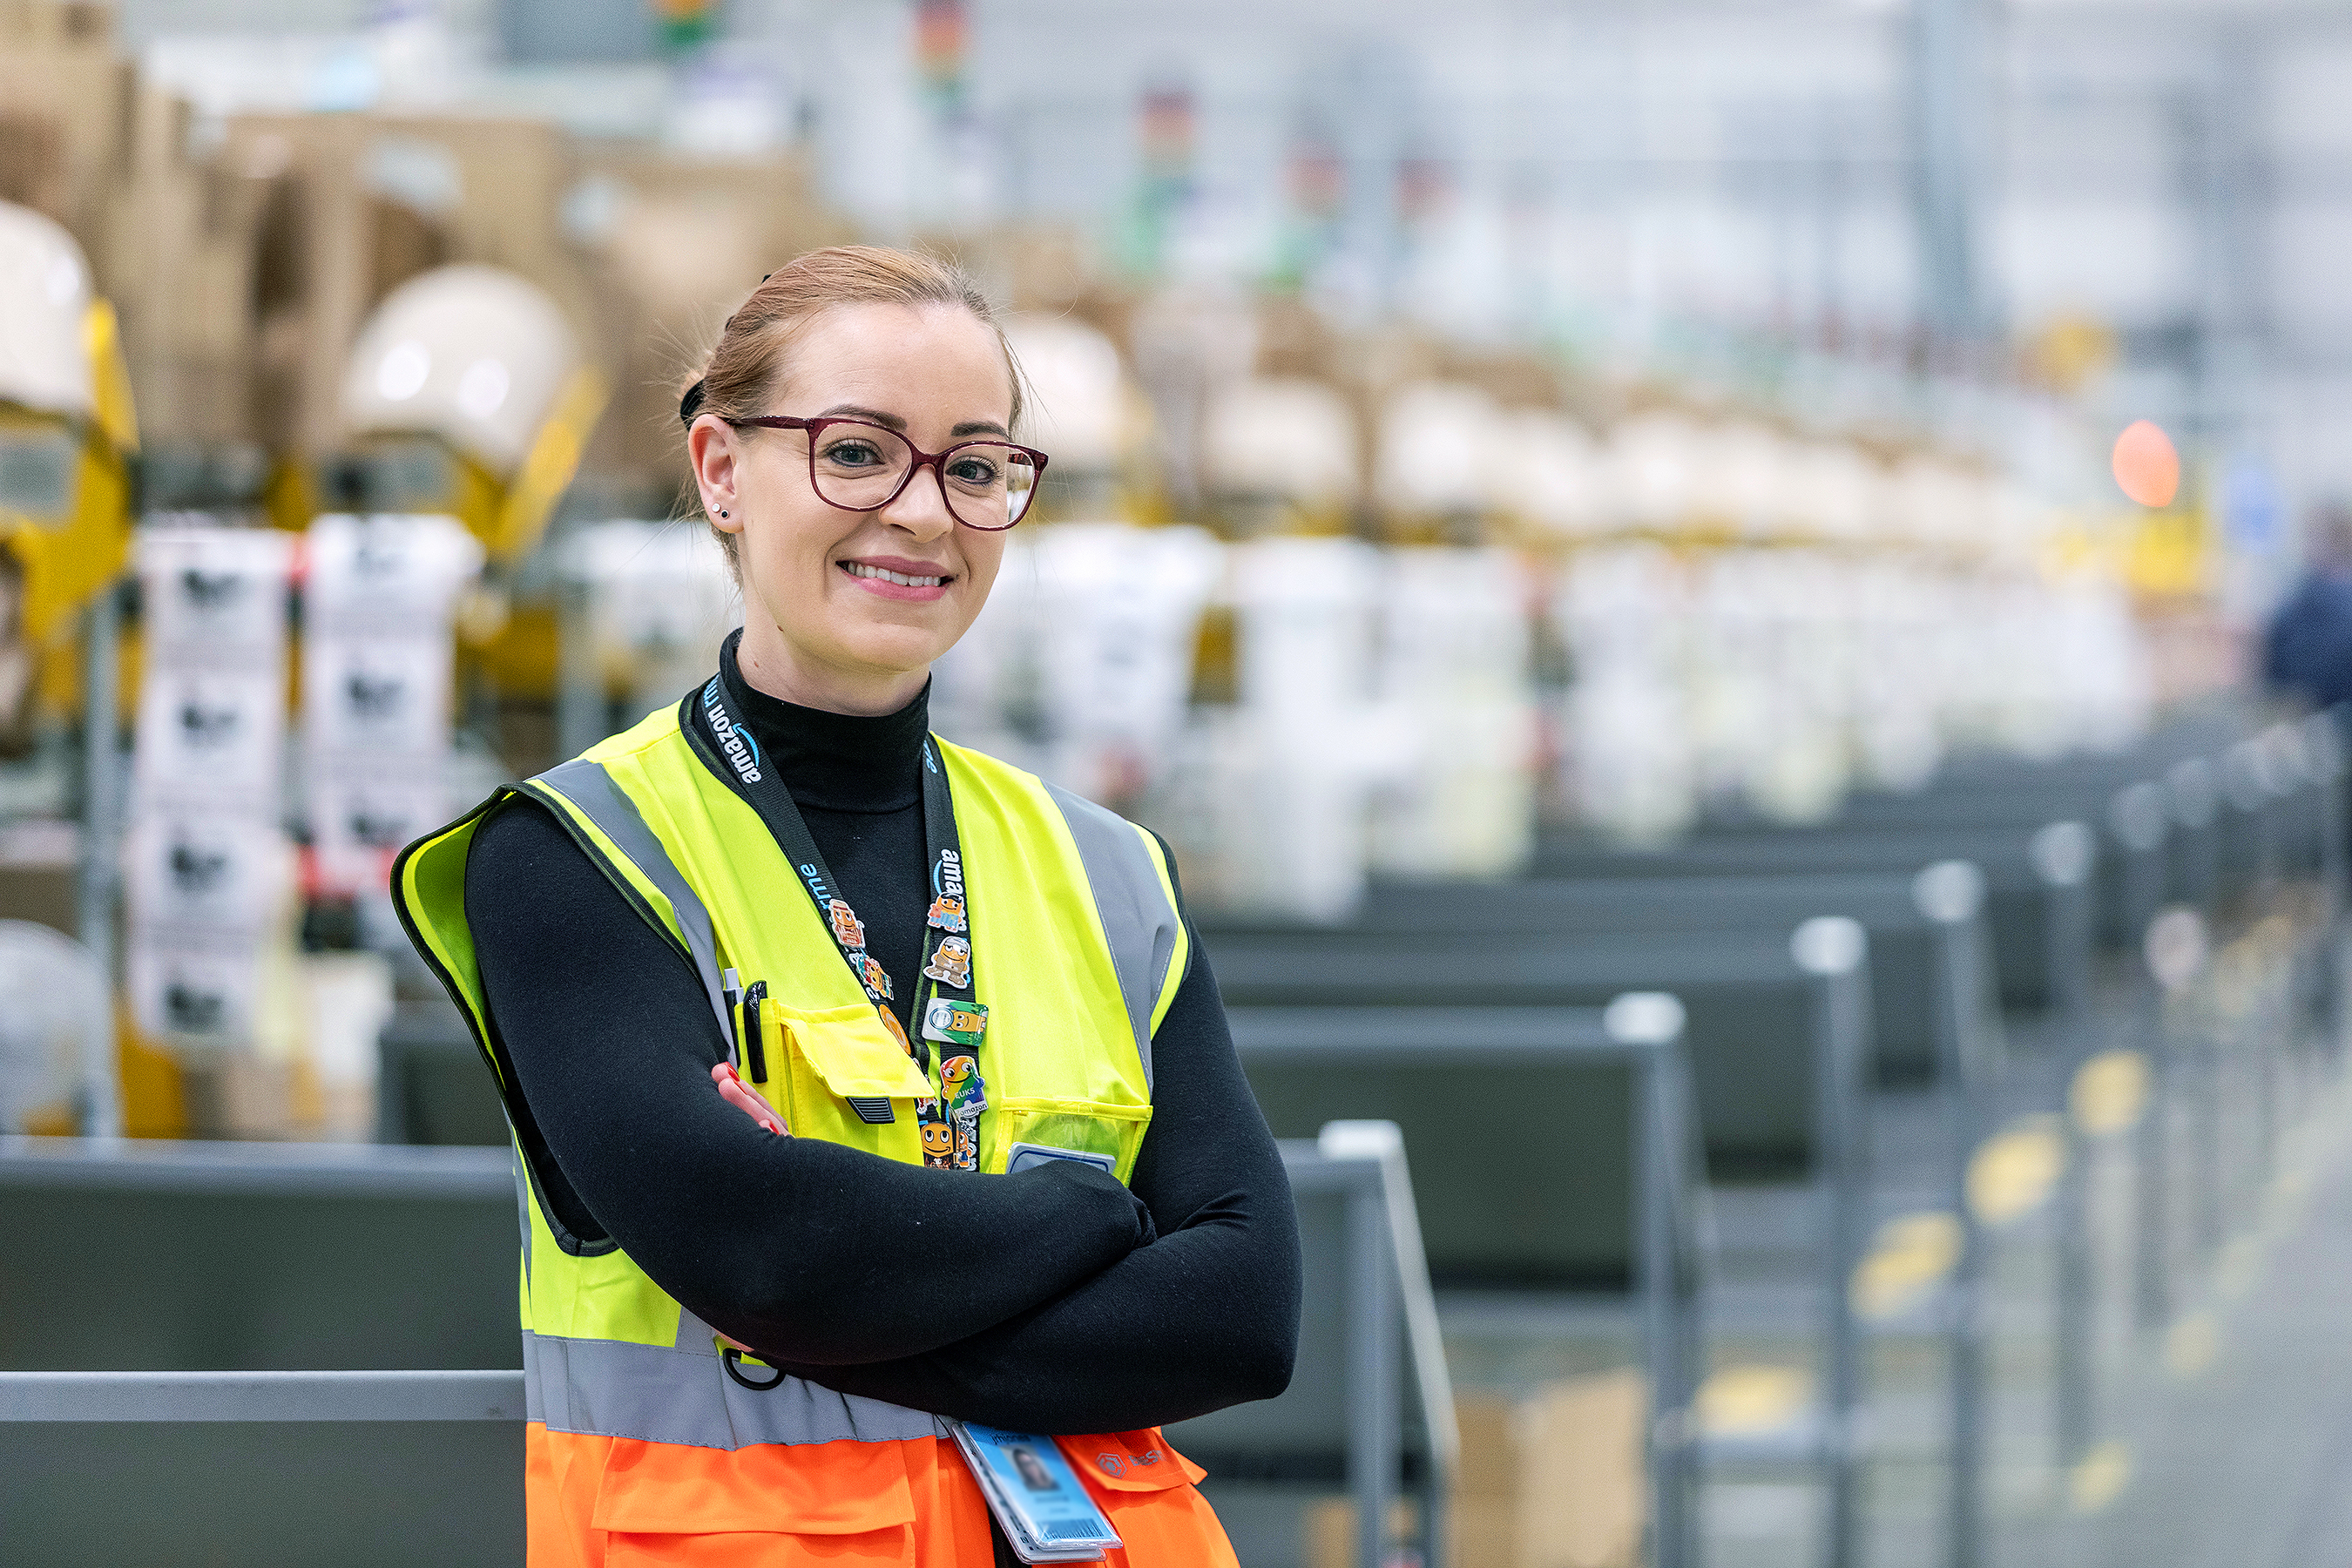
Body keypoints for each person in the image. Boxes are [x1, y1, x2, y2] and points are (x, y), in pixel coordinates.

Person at [394, 247, 1301, 1566]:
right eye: (859, 452)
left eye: (975, 466)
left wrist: (860, 1281)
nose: (924, 513)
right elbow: (767, 1257)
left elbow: (1244, 1315)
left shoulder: (1107, 874)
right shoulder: (580, 857)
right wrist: (1096, 1216)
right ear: (719, 471)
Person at [2265, 500, 2352, 713]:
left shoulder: (2309, 597)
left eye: (2312, 536)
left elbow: (2279, 658)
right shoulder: (2307, 592)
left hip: (2315, 708)